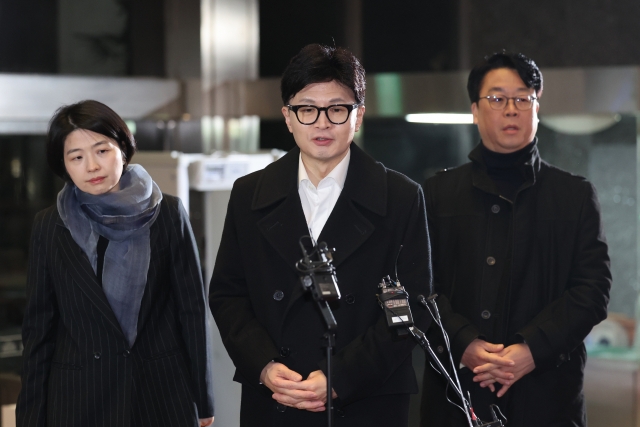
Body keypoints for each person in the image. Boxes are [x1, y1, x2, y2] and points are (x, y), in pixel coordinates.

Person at [209, 44, 432, 427]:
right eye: (307, 109)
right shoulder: (250, 193)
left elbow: (415, 304)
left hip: (366, 401)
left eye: (337, 109)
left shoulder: (400, 196)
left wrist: (339, 377)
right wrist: (263, 365)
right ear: (288, 117)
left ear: (358, 116)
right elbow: (228, 294)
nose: (322, 123)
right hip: (278, 396)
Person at [420, 52, 611, 426]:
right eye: (497, 98)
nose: (511, 109)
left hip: (547, 396)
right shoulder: (437, 194)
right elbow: (416, 286)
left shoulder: (574, 195)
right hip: (457, 393)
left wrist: (532, 349)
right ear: (475, 109)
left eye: (523, 98)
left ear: (537, 106)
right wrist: (463, 342)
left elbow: (593, 290)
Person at [16, 100, 215, 427]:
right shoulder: (49, 226)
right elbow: (39, 331)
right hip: (79, 399)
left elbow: (191, 312)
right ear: (64, 165)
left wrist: (203, 398)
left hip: (160, 395)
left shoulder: (168, 214)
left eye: (102, 151)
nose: (91, 166)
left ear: (123, 148)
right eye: (76, 157)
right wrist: (30, 418)